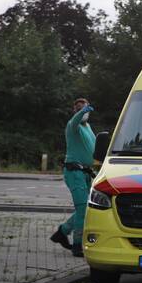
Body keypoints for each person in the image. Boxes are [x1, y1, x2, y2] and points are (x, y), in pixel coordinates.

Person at [50, 98, 96, 257]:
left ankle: (62, 232)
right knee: (83, 209)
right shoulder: (72, 125)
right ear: (75, 111)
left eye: (86, 109)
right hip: (74, 173)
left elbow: (94, 147)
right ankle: (77, 246)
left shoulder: (88, 127)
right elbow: (76, 120)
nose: (84, 112)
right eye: (80, 109)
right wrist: (83, 110)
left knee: (88, 209)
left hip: (85, 173)